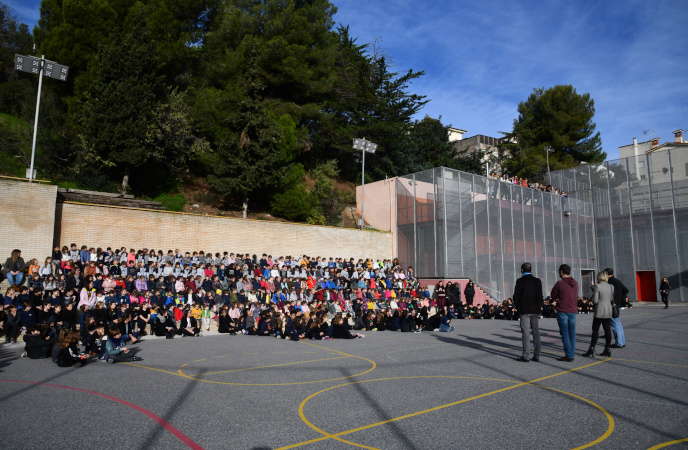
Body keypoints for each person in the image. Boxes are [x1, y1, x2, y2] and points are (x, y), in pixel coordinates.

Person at [512, 262, 543, 362]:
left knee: (525, 333)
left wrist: (518, 307)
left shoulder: (520, 281)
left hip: (524, 309)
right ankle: (537, 355)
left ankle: (526, 355)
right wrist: (539, 308)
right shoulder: (537, 281)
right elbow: (540, 296)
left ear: (522, 270)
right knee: (536, 332)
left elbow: (516, 296)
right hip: (535, 309)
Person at [550, 264, 579, 362]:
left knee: (565, 333)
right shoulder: (575, 283)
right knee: (572, 332)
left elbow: (553, 295)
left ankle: (569, 355)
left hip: (563, 309)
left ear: (561, 271)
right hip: (573, 310)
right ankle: (571, 352)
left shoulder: (560, 283)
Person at [583, 271, 614, 358]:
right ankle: (607, 348)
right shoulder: (611, 286)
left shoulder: (598, 286)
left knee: (595, 330)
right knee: (607, 329)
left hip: (600, 310)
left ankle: (592, 348)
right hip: (608, 309)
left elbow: (595, 300)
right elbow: (611, 298)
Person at [605, 268, 628, 349]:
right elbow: (625, 290)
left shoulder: (610, 282)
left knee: (614, 324)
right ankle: (622, 341)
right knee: (618, 323)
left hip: (612, 305)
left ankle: (619, 343)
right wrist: (621, 298)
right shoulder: (617, 281)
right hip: (617, 304)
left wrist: (614, 298)